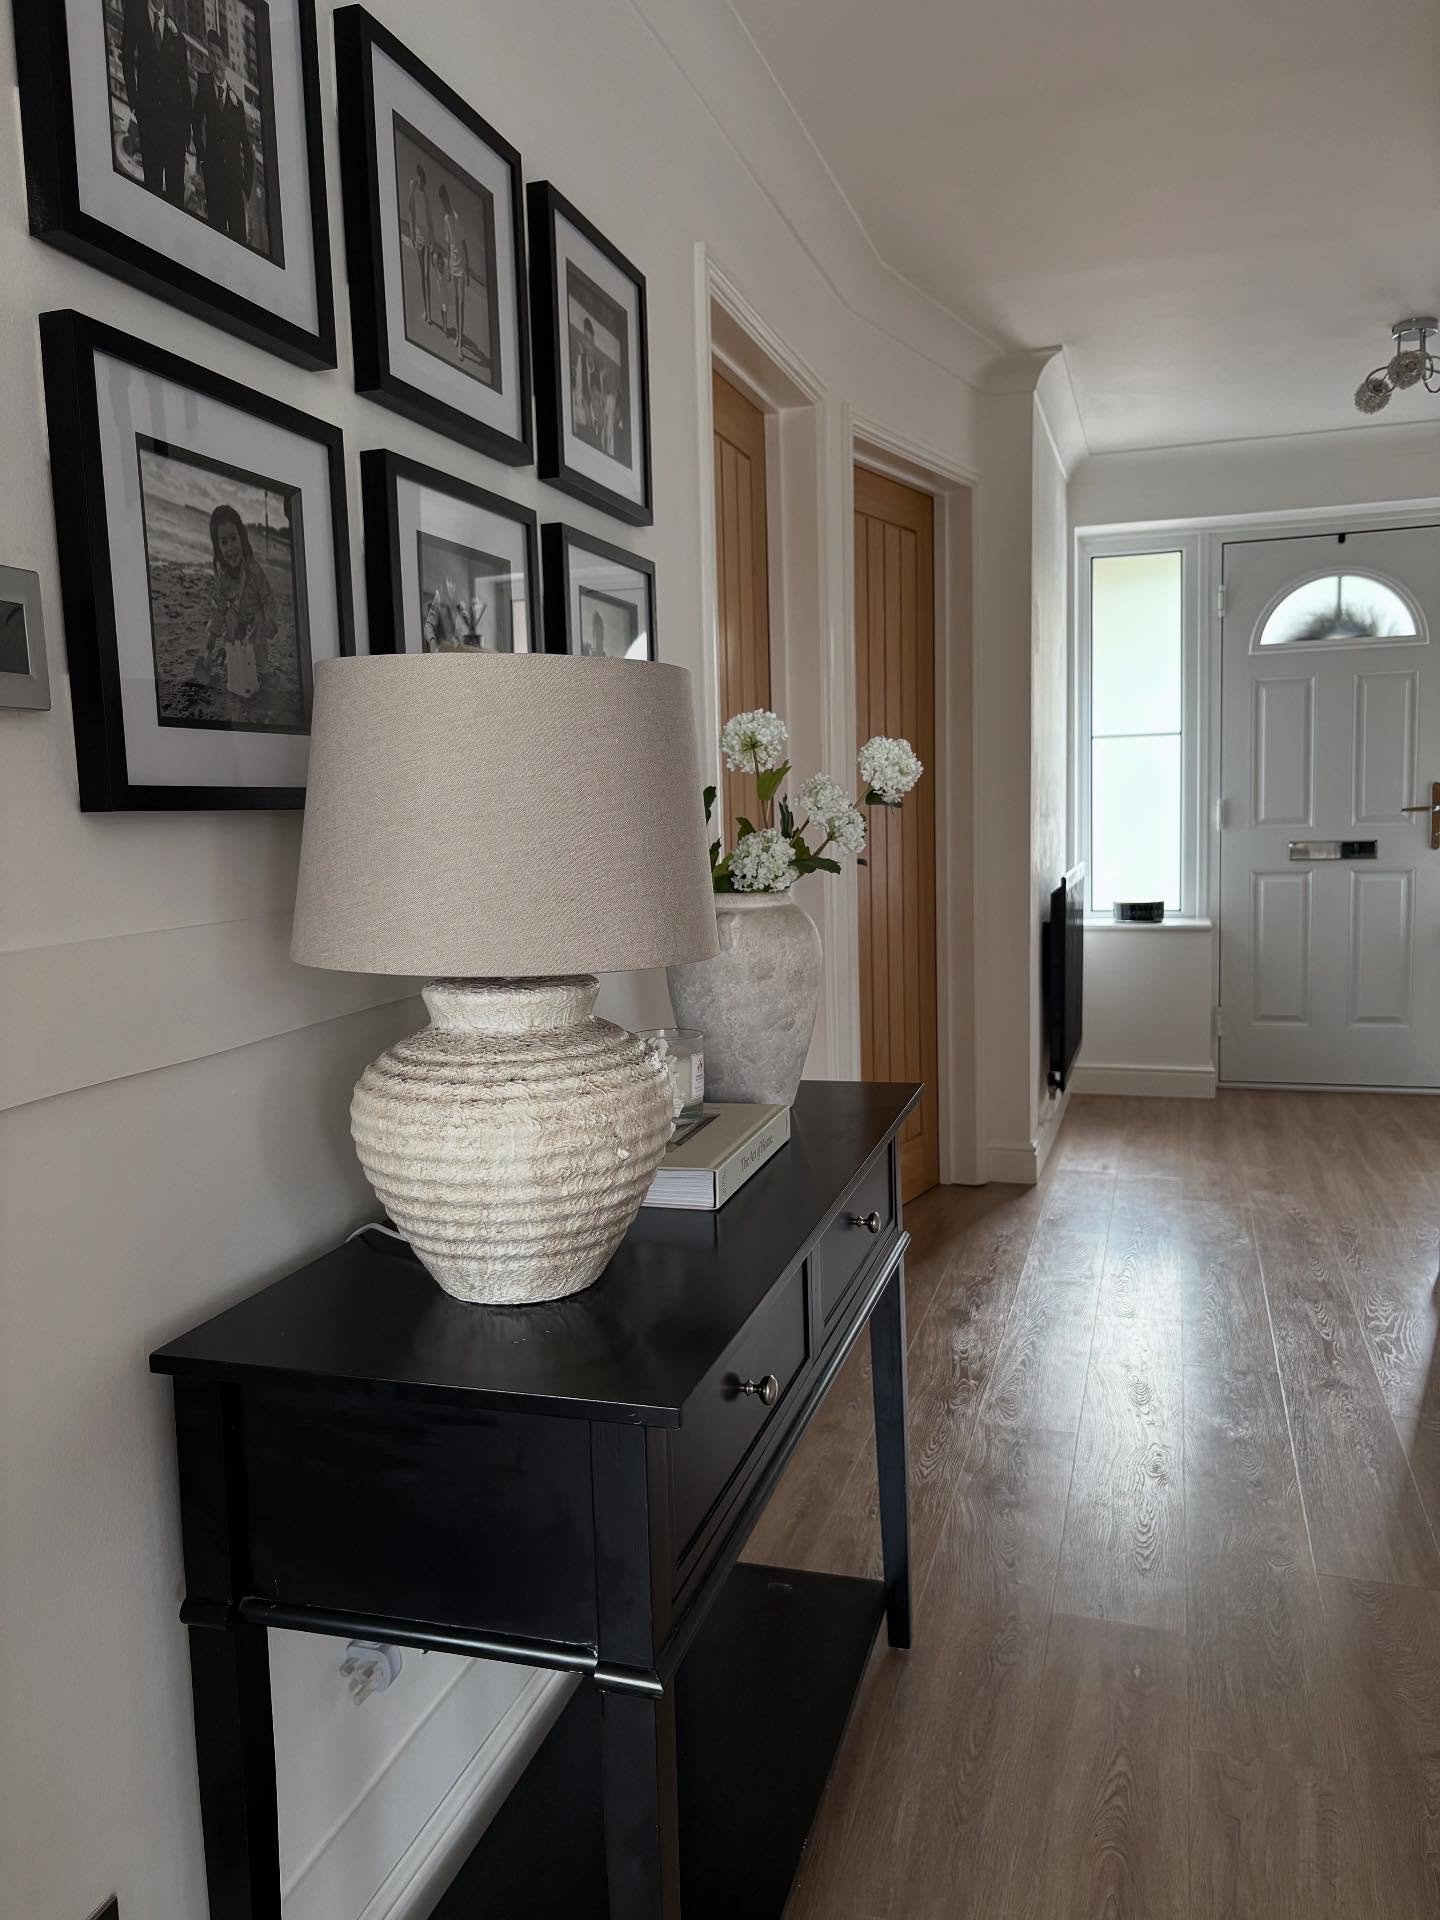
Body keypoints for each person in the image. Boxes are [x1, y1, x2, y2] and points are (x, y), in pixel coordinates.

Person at [204, 504, 277, 721]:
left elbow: (268, 599)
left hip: (256, 627)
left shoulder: (254, 571)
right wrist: (211, 639)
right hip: (236, 630)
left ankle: (262, 671)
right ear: (218, 547)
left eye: (233, 539)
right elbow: (217, 609)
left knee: (261, 671)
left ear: (242, 538)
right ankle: (230, 657)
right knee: (229, 617)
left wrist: (270, 621)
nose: (230, 547)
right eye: (224, 542)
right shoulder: (223, 578)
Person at [120, 0, 192, 207]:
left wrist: (186, 127)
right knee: (152, 186)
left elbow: (184, 82)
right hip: (149, 119)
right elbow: (127, 56)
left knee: (176, 191)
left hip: (175, 125)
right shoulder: (136, 13)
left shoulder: (176, 31)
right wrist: (134, 101)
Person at [191, 36, 254, 244]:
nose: (215, 61)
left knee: (239, 239)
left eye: (219, 57)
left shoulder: (237, 102)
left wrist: (246, 187)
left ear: (226, 62)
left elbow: (246, 146)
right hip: (214, 177)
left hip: (235, 184)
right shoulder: (204, 85)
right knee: (216, 237)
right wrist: (202, 161)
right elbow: (196, 124)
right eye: (212, 56)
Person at [437, 185, 467, 364]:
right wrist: (447, 269)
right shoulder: (445, 218)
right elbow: (448, 247)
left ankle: (460, 346)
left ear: (448, 199)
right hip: (453, 267)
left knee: (461, 304)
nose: (444, 205)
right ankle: (459, 339)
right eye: (441, 203)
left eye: (445, 201)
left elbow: (464, 244)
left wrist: (468, 270)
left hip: (462, 268)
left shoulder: (456, 217)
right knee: (455, 304)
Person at [406, 161, 436, 327]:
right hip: (417, 238)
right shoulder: (412, 186)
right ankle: (427, 311)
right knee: (422, 276)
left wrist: (432, 242)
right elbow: (410, 211)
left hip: (427, 239)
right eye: (419, 181)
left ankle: (429, 313)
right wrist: (411, 234)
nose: (420, 183)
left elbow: (431, 222)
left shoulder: (426, 196)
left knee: (426, 275)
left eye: (422, 181)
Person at [572, 317, 600, 440]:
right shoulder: (581, 359)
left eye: (589, 341)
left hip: (594, 419)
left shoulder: (596, 368)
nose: (587, 344)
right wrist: (585, 406)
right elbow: (579, 390)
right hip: (583, 416)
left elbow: (599, 396)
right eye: (585, 339)